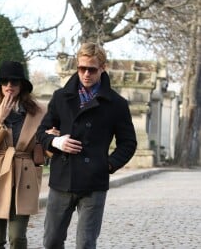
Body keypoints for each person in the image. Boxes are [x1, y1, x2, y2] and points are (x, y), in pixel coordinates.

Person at [36, 42, 137, 249]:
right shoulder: (61, 97)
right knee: (51, 241)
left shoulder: (116, 103)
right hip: (62, 178)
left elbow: (128, 142)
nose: (86, 74)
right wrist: (57, 141)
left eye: (92, 69)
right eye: (82, 68)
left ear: (103, 68)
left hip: (94, 182)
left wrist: (107, 165)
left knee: (86, 244)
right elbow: (41, 133)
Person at [0, 61, 46, 249]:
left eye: (14, 82)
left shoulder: (38, 112)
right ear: (0, 85)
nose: (9, 86)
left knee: (17, 238)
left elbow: (45, 150)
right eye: (5, 82)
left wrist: (51, 141)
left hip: (25, 177)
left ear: (21, 85)